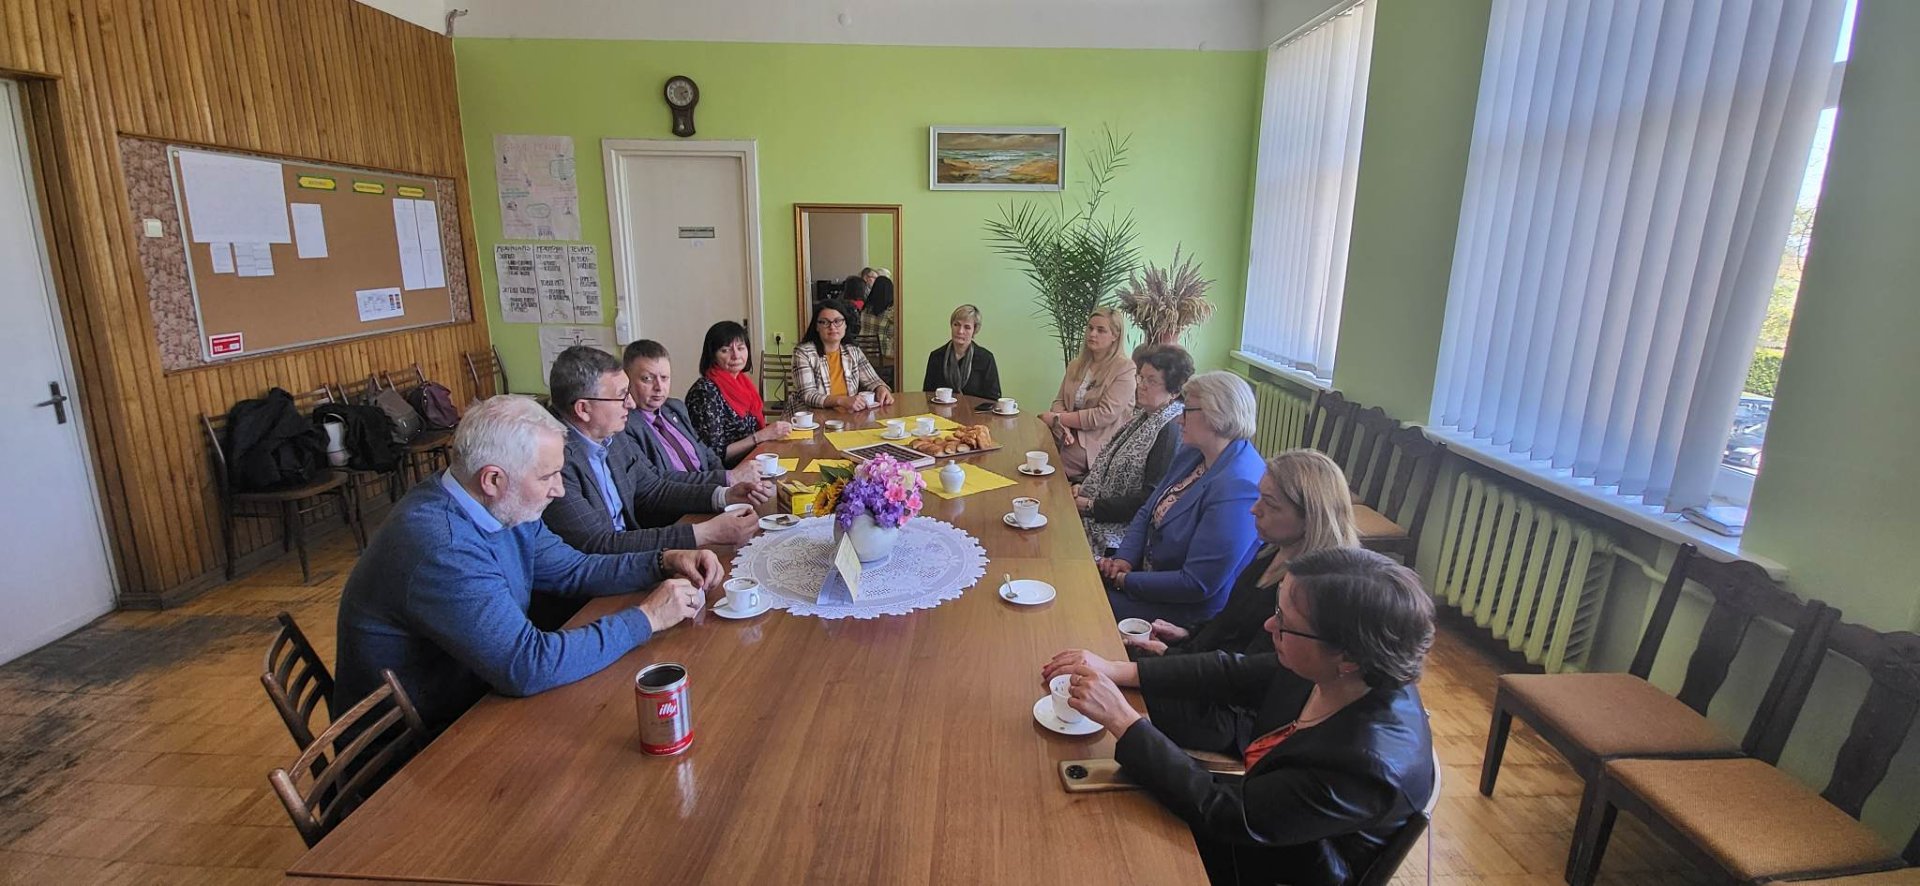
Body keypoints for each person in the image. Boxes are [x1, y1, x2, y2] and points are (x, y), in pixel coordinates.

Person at [1043, 548, 1437, 886]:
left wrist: (1123, 720)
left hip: (1273, 864)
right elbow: (1232, 672)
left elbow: (1227, 813)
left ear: (1347, 656)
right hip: (1260, 820)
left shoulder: (1364, 765)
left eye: (1285, 623)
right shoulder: (1343, 672)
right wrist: (1119, 670)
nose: (1269, 625)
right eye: (1277, 610)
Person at [333, 395, 718, 735]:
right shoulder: (441, 546)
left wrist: (663, 561)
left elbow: (574, 569)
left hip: (477, 695)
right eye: (548, 476)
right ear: (492, 479)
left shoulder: (501, 504)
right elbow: (527, 665)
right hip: (422, 749)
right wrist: (648, 617)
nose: (559, 490)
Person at [542, 345, 759, 555]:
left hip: (637, 554)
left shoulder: (612, 435)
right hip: (605, 572)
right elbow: (599, 545)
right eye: (621, 395)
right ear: (583, 409)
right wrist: (705, 533)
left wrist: (724, 496)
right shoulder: (552, 461)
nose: (630, 404)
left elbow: (653, 489)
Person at [1100, 371, 1264, 625]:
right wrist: (1124, 559)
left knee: (1082, 606)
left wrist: (1124, 580)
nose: (1179, 419)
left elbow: (1197, 583)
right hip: (1146, 578)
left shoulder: (1238, 487)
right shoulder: (1194, 452)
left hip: (1184, 611)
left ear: (1215, 415)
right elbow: (1147, 510)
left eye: (1187, 411)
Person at [619, 340, 774, 529]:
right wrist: (727, 478)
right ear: (626, 380)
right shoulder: (624, 426)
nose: (659, 387)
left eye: (664, 378)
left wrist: (730, 484)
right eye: (647, 379)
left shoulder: (674, 407)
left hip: (714, 499)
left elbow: (706, 453)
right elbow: (657, 482)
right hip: (678, 516)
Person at [1075, 344, 1193, 553]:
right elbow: (1110, 462)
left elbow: (1150, 498)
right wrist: (1081, 484)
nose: (1141, 386)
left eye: (1151, 381)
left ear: (1174, 391)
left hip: (1121, 537)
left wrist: (1091, 506)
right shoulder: (1144, 416)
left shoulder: (1170, 428)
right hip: (1096, 511)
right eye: (1141, 377)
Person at [1040, 306, 1138, 480]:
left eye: (1101, 330)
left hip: (1097, 440)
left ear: (1115, 336)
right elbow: (1059, 401)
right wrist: (1062, 426)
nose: (1092, 334)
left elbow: (1103, 415)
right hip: (1065, 432)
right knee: (1032, 448)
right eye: (1090, 328)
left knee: (1050, 463)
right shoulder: (1076, 365)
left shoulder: (1125, 369)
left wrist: (1059, 419)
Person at [682, 321, 794, 465]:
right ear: (712, 355)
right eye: (725, 350)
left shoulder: (742, 382)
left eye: (741, 348)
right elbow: (714, 455)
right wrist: (760, 436)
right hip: (727, 472)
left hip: (752, 459)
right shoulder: (705, 392)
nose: (736, 355)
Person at [793, 299, 893, 410]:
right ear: (816, 326)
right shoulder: (803, 352)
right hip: (813, 416)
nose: (832, 327)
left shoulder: (852, 350)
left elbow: (872, 380)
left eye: (837, 321)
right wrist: (841, 400)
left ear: (845, 325)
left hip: (847, 415)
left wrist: (881, 388)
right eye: (825, 322)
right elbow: (808, 395)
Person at [921, 304, 1001, 401]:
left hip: (975, 411)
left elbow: (993, 399)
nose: (960, 331)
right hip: (942, 410)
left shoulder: (986, 359)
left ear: (974, 330)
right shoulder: (936, 356)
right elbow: (928, 395)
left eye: (967, 327)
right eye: (956, 325)